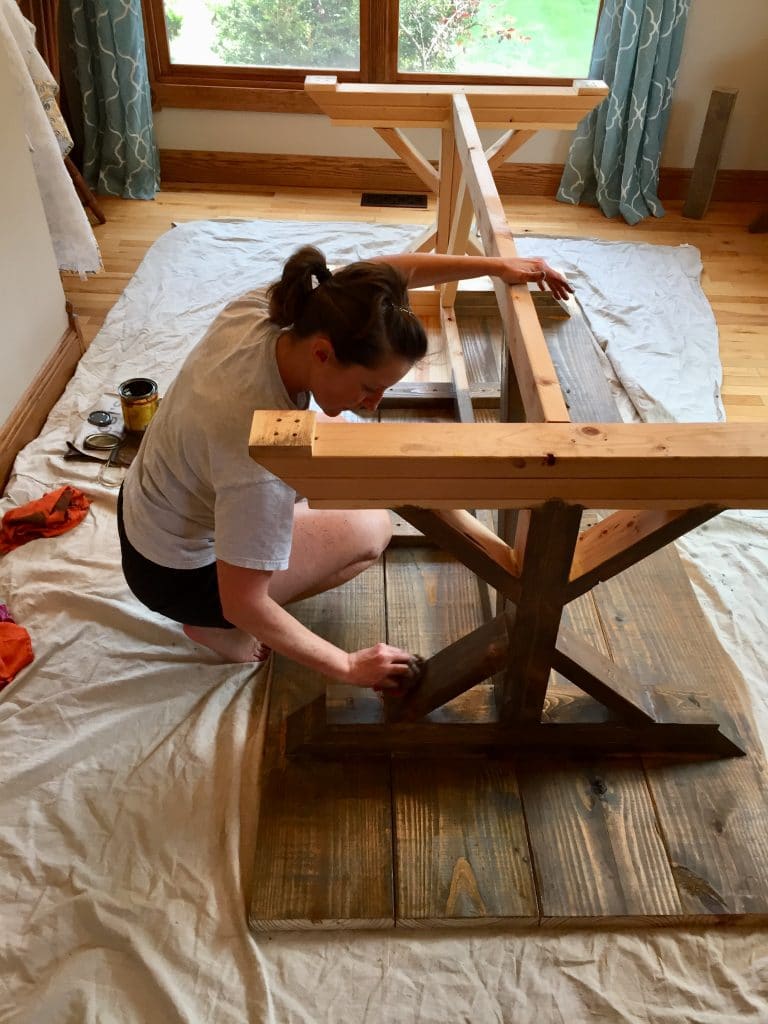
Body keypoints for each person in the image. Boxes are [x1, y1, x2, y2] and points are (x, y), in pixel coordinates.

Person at [117, 245, 571, 690]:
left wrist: (496, 267)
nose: (374, 405)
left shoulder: (280, 307)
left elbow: (383, 275)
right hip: (177, 576)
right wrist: (348, 666)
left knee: (345, 448)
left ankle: (213, 601)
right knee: (371, 528)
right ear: (322, 353)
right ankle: (208, 627)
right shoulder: (256, 449)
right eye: (369, 387)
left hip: (143, 509)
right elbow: (243, 600)